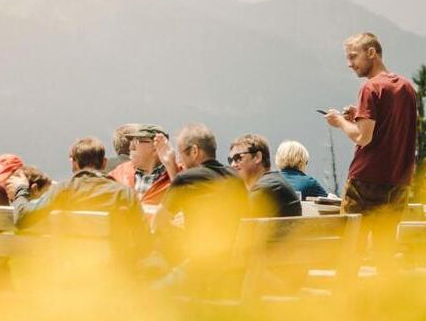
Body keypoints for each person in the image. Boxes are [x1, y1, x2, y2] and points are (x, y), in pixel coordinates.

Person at [324, 33, 417, 258]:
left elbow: (363, 138)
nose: (350, 64)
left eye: (353, 57)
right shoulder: (407, 88)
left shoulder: (370, 88)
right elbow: (391, 126)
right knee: (385, 253)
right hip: (398, 183)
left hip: (365, 183)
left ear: (371, 53)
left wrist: (341, 122)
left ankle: (347, 293)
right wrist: (358, 116)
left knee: (350, 250)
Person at [8, 137, 150, 264]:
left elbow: (23, 217)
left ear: (74, 163)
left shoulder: (64, 190)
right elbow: (143, 239)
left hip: (71, 270)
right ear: (104, 163)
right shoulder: (124, 194)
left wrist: (21, 189)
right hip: (114, 273)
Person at [151, 124, 249, 292]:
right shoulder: (236, 178)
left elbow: (157, 224)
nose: (180, 160)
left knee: (147, 290)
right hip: (233, 273)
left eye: (181, 154)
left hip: (199, 271)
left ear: (195, 151)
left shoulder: (187, 179)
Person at [229, 134, 301, 218]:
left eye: (238, 158)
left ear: (258, 157)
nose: (233, 164)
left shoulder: (268, 187)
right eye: (230, 160)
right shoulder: (272, 182)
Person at [109, 124, 173, 205]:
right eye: (131, 141)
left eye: (137, 141)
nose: (131, 147)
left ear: (156, 146)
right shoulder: (119, 173)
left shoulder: (174, 175)